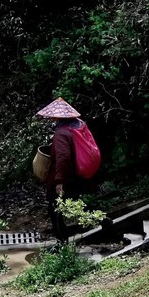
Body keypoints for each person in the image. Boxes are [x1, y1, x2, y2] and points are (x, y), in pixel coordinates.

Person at [36, 97, 93, 240]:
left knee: (55, 210)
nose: (51, 118)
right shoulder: (79, 125)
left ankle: (62, 243)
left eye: (53, 116)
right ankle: (98, 222)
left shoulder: (61, 132)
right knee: (75, 203)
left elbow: (63, 157)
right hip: (78, 173)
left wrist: (59, 182)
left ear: (58, 117)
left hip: (65, 177)